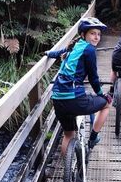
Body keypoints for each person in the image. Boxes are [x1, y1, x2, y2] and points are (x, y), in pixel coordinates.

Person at [45, 17, 112, 156]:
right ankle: (93, 138)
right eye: (93, 33)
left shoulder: (74, 46)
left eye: (99, 34)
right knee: (106, 104)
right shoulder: (89, 50)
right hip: (75, 99)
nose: (97, 37)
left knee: (68, 135)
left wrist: (49, 54)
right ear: (83, 34)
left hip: (57, 99)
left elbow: (59, 52)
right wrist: (101, 94)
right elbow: (93, 78)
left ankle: (67, 173)